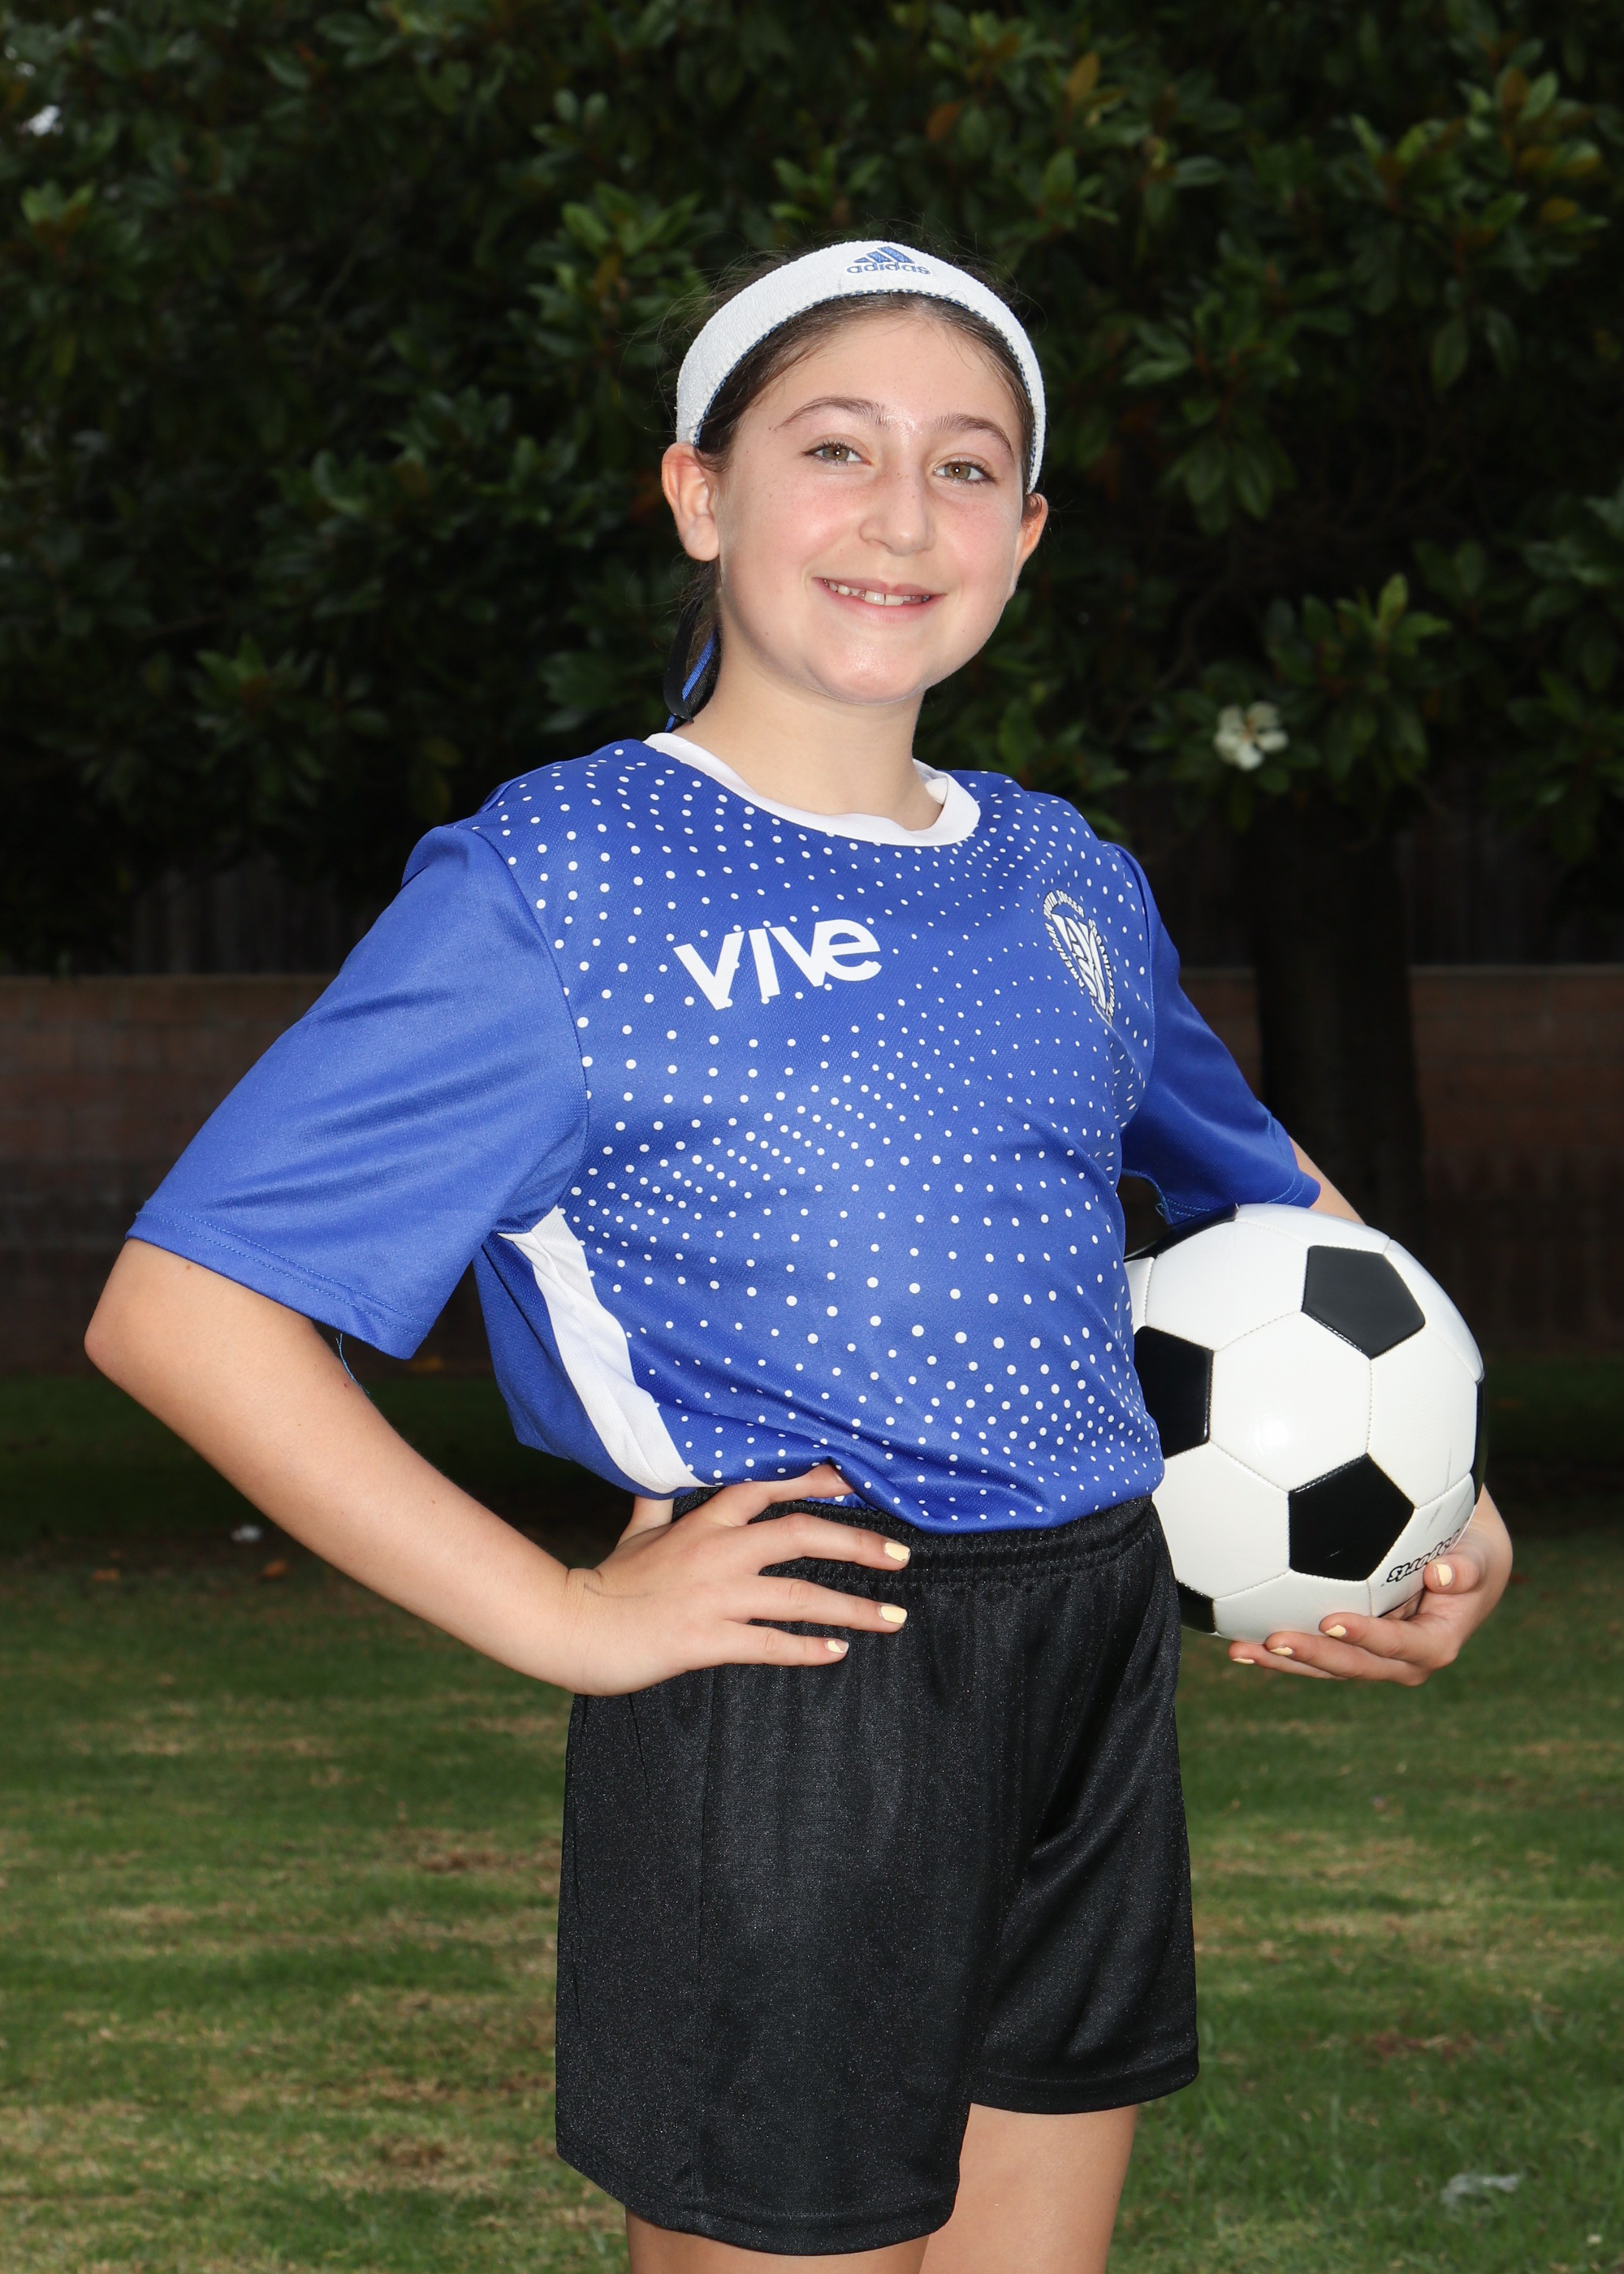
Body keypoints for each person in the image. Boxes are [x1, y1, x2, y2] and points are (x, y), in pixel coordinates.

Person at [86, 240, 1512, 2272]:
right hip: (795, 1686)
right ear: (700, 492)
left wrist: (1443, 1493)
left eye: (964, 465)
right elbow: (184, 1309)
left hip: (1092, 1658)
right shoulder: (559, 882)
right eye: (834, 448)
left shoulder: (1063, 878)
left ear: (1023, 534)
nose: (899, 515)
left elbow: (1279, 1209)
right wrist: (562, 1614)